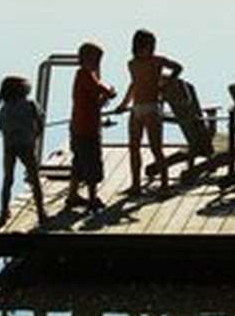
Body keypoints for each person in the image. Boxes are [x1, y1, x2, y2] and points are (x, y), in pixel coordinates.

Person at [114, 29, 182, 196]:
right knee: (133, 147)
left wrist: (166, 84)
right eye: (146, 46)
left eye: (152, 46)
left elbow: (178, 67)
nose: (149, 49)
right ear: (138, 47)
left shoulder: (158, 61)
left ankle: (165, 185)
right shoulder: (132, 64)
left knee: (155, 147)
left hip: (152, 108)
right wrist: (123, 104)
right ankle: (135, 184)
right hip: (136, 108)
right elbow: (133, 85)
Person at [66, 40, 115, 211]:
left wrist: (104, 98)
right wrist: (110, 91)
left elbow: (96, 102)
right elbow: (102, 89)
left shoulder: (85, 75)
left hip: (79, 126)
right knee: (92, 163)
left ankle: (72, 195)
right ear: (85, 58)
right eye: (96, 59)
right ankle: (93, 198)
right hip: (87, 129)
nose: (98, 63)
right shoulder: (85, 75)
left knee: (78, 162)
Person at [0, 74, 47, 227]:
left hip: (9, 147)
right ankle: (41, 212)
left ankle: (4, 212)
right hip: (27, 146)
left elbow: (2, 130)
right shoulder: (30, 104)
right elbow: (40, 121)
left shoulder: (4, 108)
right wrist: (36, 135)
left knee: (8, 179)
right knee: (34, 179)